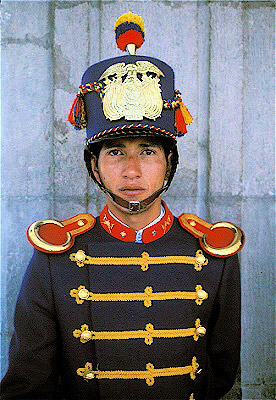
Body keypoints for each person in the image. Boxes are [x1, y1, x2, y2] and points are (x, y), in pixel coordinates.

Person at [1, 12, 244, 400]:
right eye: (115, 152)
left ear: (170, 162)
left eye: (147, 151)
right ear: (93, 166)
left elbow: (222, 369)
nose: (131, 171)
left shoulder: (214, 252)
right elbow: (28, 383)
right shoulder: (56, 255)